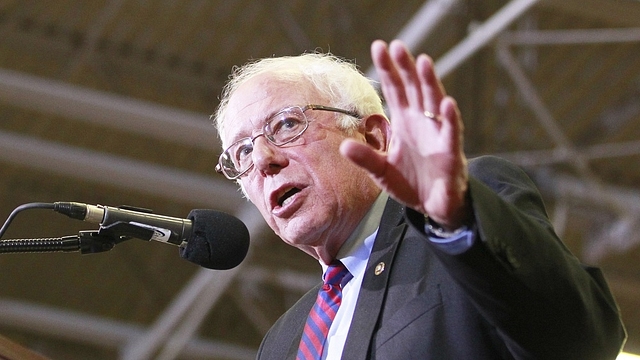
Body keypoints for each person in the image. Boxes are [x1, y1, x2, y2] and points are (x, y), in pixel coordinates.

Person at [212, 39, 626, 359]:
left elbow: (584, 340)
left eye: (286, 124)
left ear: (373, 137)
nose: (263, 159)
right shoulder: (283, 342)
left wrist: (459, 220)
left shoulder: (465, 219)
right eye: (243, 152)